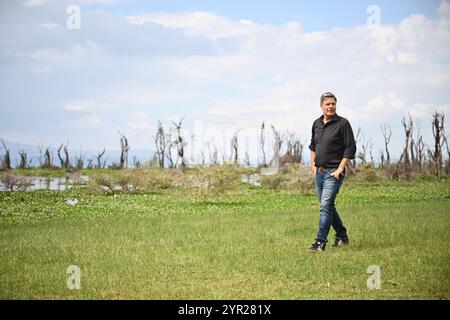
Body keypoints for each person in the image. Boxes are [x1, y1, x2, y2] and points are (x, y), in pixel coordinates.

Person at [308, 92, 356, 252]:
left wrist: (340, 169)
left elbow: (350, 148)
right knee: (327, 206)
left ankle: (320, 242)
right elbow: (313, 146)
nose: (331, 107)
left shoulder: (343, 124)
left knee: (325, 207)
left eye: (333, 104)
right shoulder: (316, 124)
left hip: (334, 173)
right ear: (321, 106)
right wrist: (313, 164)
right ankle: (342, 235)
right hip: (319, 173)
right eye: (328, 104)